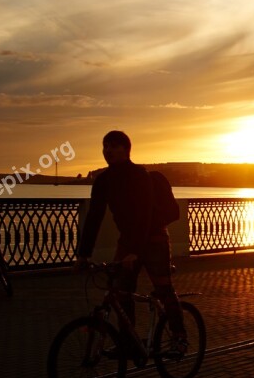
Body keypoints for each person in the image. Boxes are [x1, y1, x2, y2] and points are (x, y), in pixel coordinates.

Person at [75, 131, 187, 355]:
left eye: (114, 146)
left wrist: (135, 251)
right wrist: (83, 254)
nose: (108, 151)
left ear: (126, 150)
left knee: (163, 289)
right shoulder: (103, 181)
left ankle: (179, 337)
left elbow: (144, 214)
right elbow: (94, 218)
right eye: (105, 146)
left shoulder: (140, 175)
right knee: (121, 292)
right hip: (127, 241)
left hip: (153, 238)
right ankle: (128, 341)